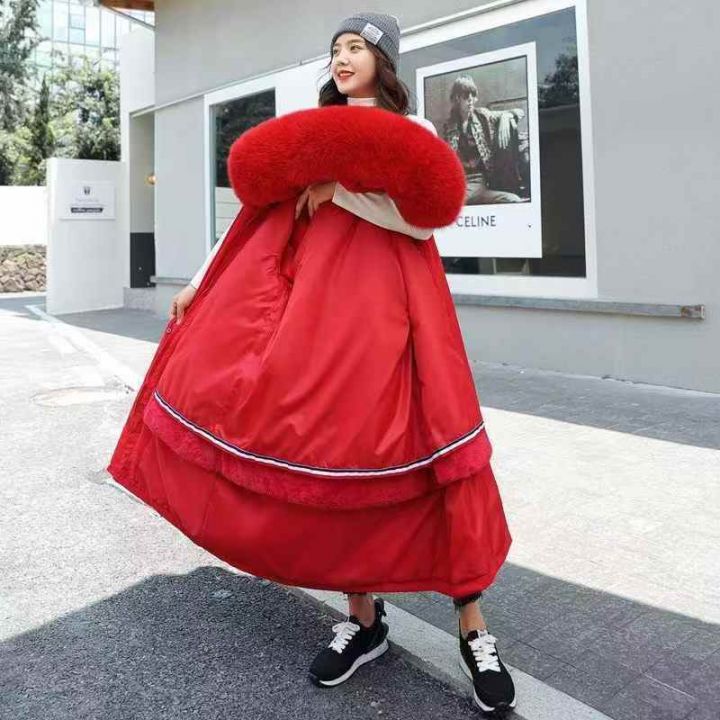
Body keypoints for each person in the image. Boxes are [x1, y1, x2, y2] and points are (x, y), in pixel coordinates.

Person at [107, 11, 515, 716]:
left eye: (356, 47)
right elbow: (254, 217)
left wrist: (340, 192)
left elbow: (422, 220)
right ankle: (364, 619)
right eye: (335, 49)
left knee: (434, 449)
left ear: (384, 60)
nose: (342, 58)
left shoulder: (413, 131)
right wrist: (202, 281)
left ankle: (473, 629)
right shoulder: (315, 134)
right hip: (318, 317)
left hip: (398, 316)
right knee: (332, 453)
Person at [441, 74, 528, 205]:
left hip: (480, 181)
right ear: (457, 98)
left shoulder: (482, 115)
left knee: (513, 200)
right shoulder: (449, 126)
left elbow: (519, 112)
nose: (471, 99)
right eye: (466, 95)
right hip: (460, 182)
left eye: (473, 95)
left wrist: (506, 118)